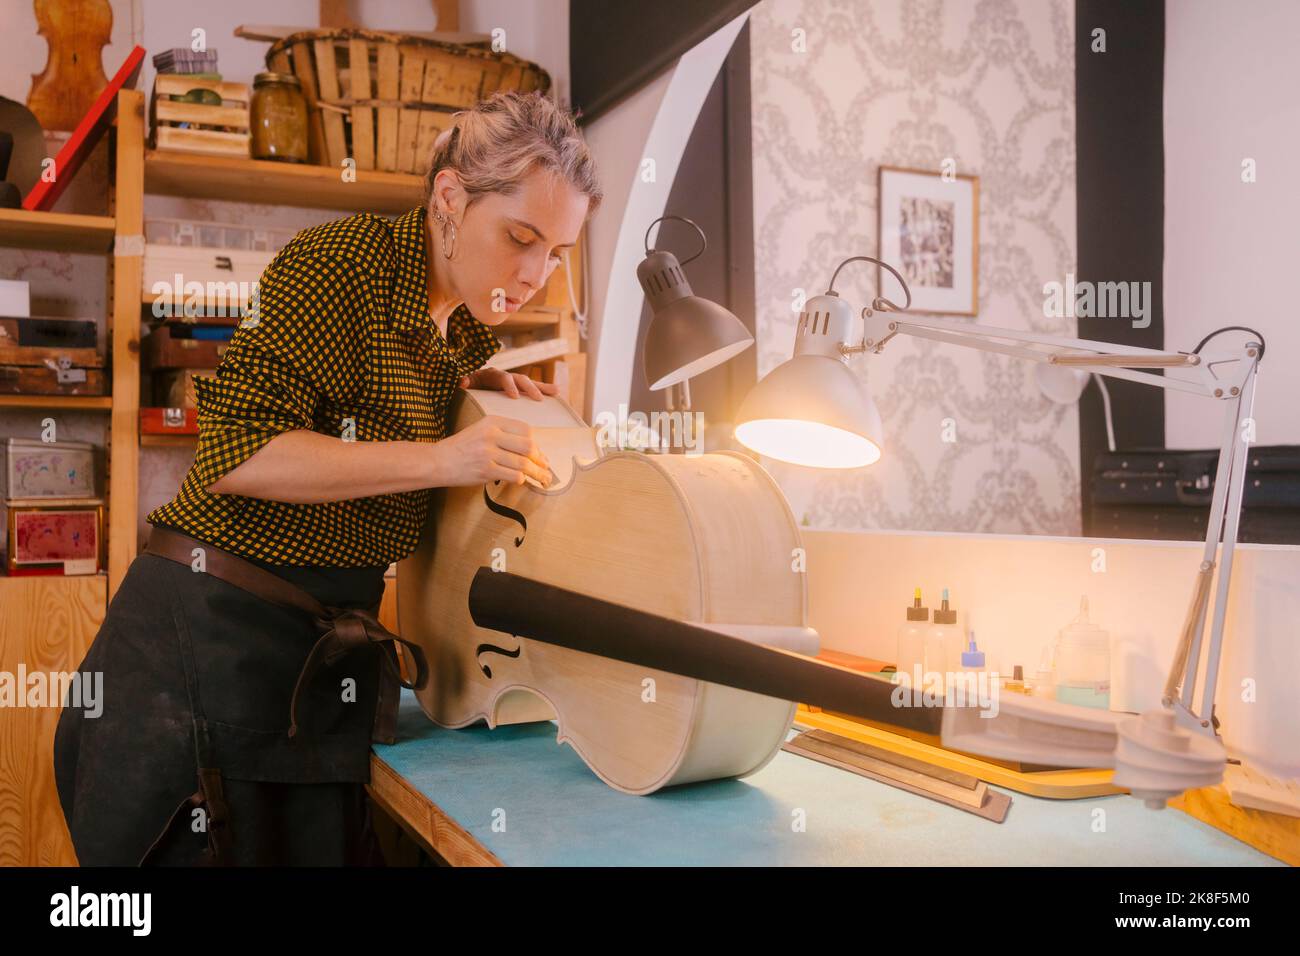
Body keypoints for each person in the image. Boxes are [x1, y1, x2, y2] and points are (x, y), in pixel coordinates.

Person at [53, 90, 603, 865]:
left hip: (305, 660)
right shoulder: (340, 267)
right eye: (520, 237)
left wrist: (470, 400)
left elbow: (379, 432)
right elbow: (238, 453)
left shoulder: (463, 329)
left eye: (556, 252)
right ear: (450, 197)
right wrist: (445, 457)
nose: (537, 273)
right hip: (205, 653)